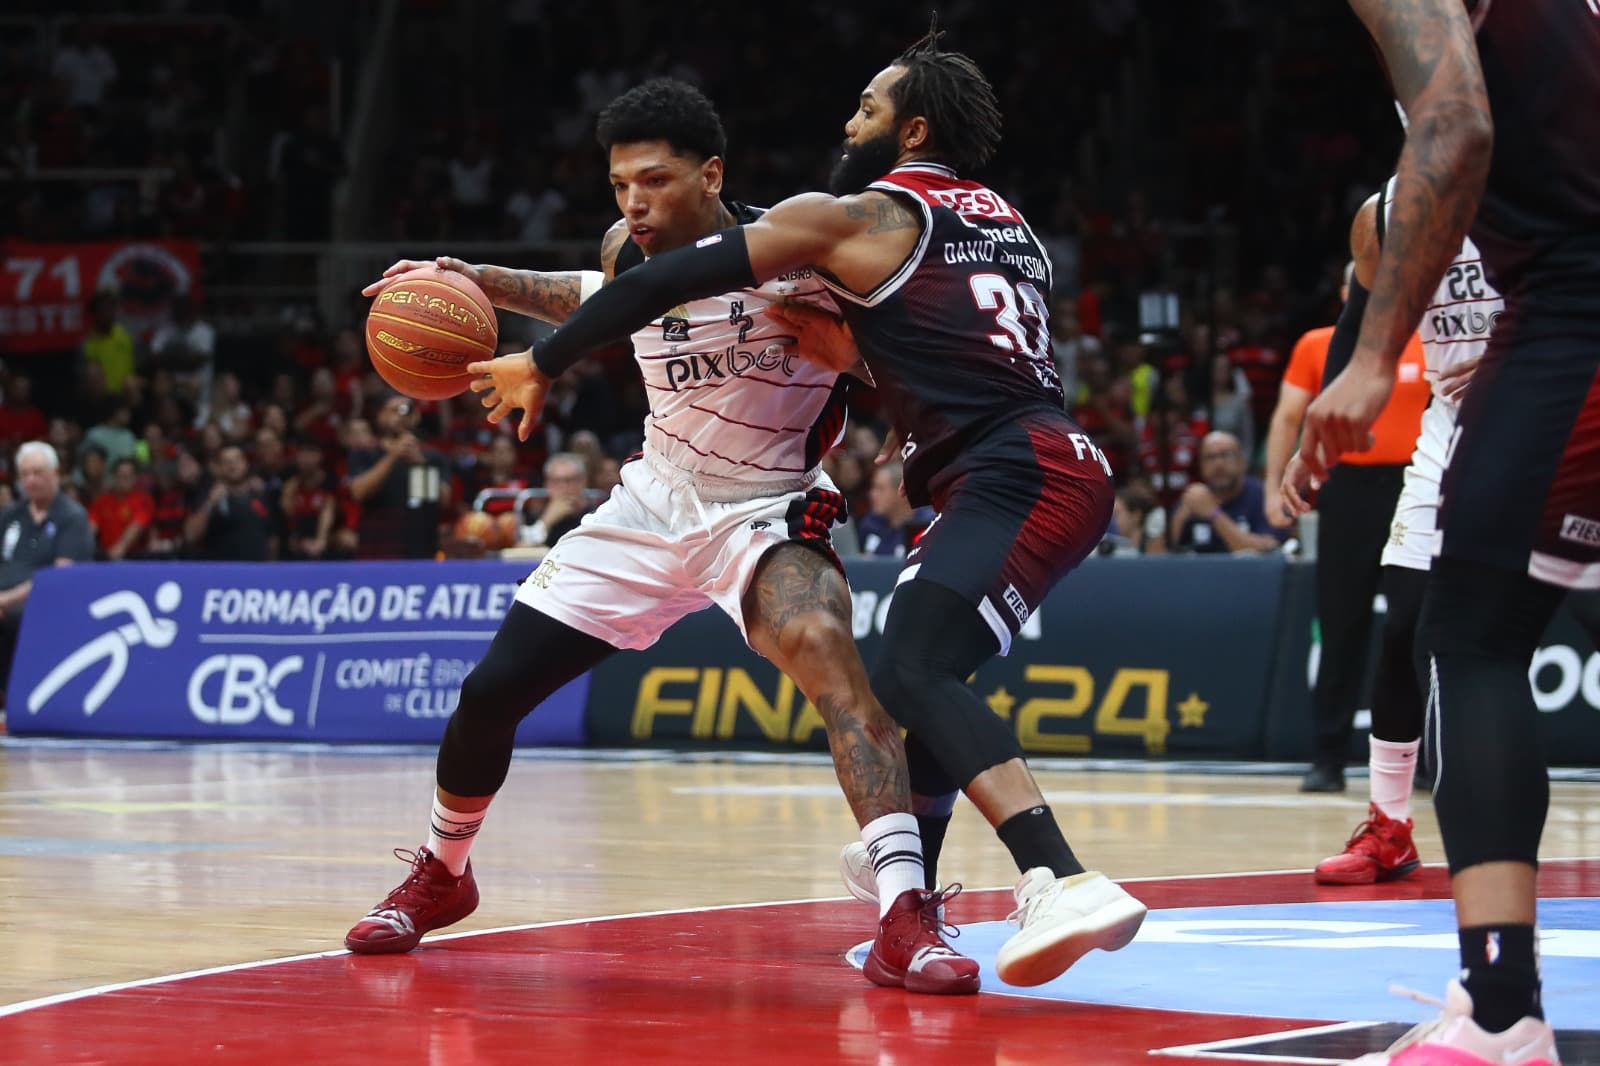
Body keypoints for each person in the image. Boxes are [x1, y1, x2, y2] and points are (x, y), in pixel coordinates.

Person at [469, 29, 1148, 989]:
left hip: (1009, 466)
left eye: (867, 109)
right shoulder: (1003, 219)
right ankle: (909, 888)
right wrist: (851, 353)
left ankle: (1059, 877)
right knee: (929, 677)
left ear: (909, 128)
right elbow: (937, 340)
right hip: (1048, 457)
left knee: (908, 666)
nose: (848, 121)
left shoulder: (857, 214)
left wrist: (538, 357)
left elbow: (668, 279)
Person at [345, 78, 977, 996]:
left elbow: (914, 350)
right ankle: (444, 872)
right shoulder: (622, 248)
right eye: (619, 186)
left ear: (710, 174)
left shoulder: (803, 256)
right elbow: (595, 295)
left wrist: (858, 360)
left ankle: (903, 914)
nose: (634, 203)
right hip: (650, 505)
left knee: (832, 663)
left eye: (654, 181)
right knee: (490, 692)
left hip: (765, 506)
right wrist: (470, 278)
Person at [1295, 2, 1596, 1060]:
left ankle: (1500, 1008)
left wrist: (1375, 361)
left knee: (1470, 638)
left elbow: (1456, 129)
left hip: (1573, 313)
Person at [1271, 253, 1431, 793]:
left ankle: (1428, 758)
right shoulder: (1319, 345)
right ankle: (1328, 756)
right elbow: (1288, 416)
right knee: (1340, 623)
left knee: (1416, 624)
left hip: (1416, 485)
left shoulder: (1429, 335)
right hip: (1346, 491)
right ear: (1349, 292)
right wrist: (1276, 487)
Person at [0, 442, 94, 688]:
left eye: (38, 472)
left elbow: (60, 578)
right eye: (25, 474)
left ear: (56, 473)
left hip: (43, 605)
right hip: (4, 603)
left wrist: (6, 600)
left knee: (18, 619)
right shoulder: (10, 515)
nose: (31, 480)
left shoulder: (72, 516)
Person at [346, 395, 452, 560]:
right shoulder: (365, 453)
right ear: (380, 416)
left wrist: (420, 464)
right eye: (393, 411)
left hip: (421, 550)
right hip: (377, 550)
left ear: (416, 417)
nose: (400, 417)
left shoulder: (432, 456)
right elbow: (358, 493)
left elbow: (443, 501)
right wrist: (393, 456)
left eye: (407, 411)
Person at [1169, 432, 1285, 554]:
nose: (1218, 464)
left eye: (1226, 455)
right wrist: (1180, 516)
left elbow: (1270, 548)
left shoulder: (1263, 495)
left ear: (1242, 462)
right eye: (1210, 457)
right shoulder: (1194, 497)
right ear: (1201, 466)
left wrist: (1214, 514)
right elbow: (1155, 554)